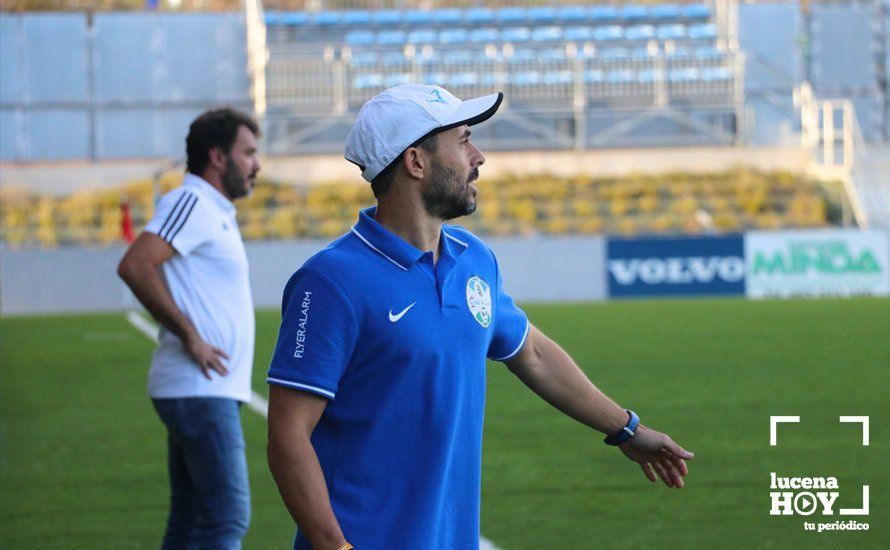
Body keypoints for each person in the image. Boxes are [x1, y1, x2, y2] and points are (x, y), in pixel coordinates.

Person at [266, 84, 693, 550]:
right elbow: (288, 435)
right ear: (416, 162)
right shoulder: (331, 282)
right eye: (465, 140)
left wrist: (627, 428)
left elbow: (531, 352)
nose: (480, 156)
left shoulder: (474, 259)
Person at [118, 107, 261, 549]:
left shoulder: (214, 209)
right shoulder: (191, 201)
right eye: (249, 153)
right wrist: (192, 336)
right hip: (199, 389)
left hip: (205, 389)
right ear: (218, 157)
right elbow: (137, 264)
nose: (257, 164)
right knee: (228, 518)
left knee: (193, 519)